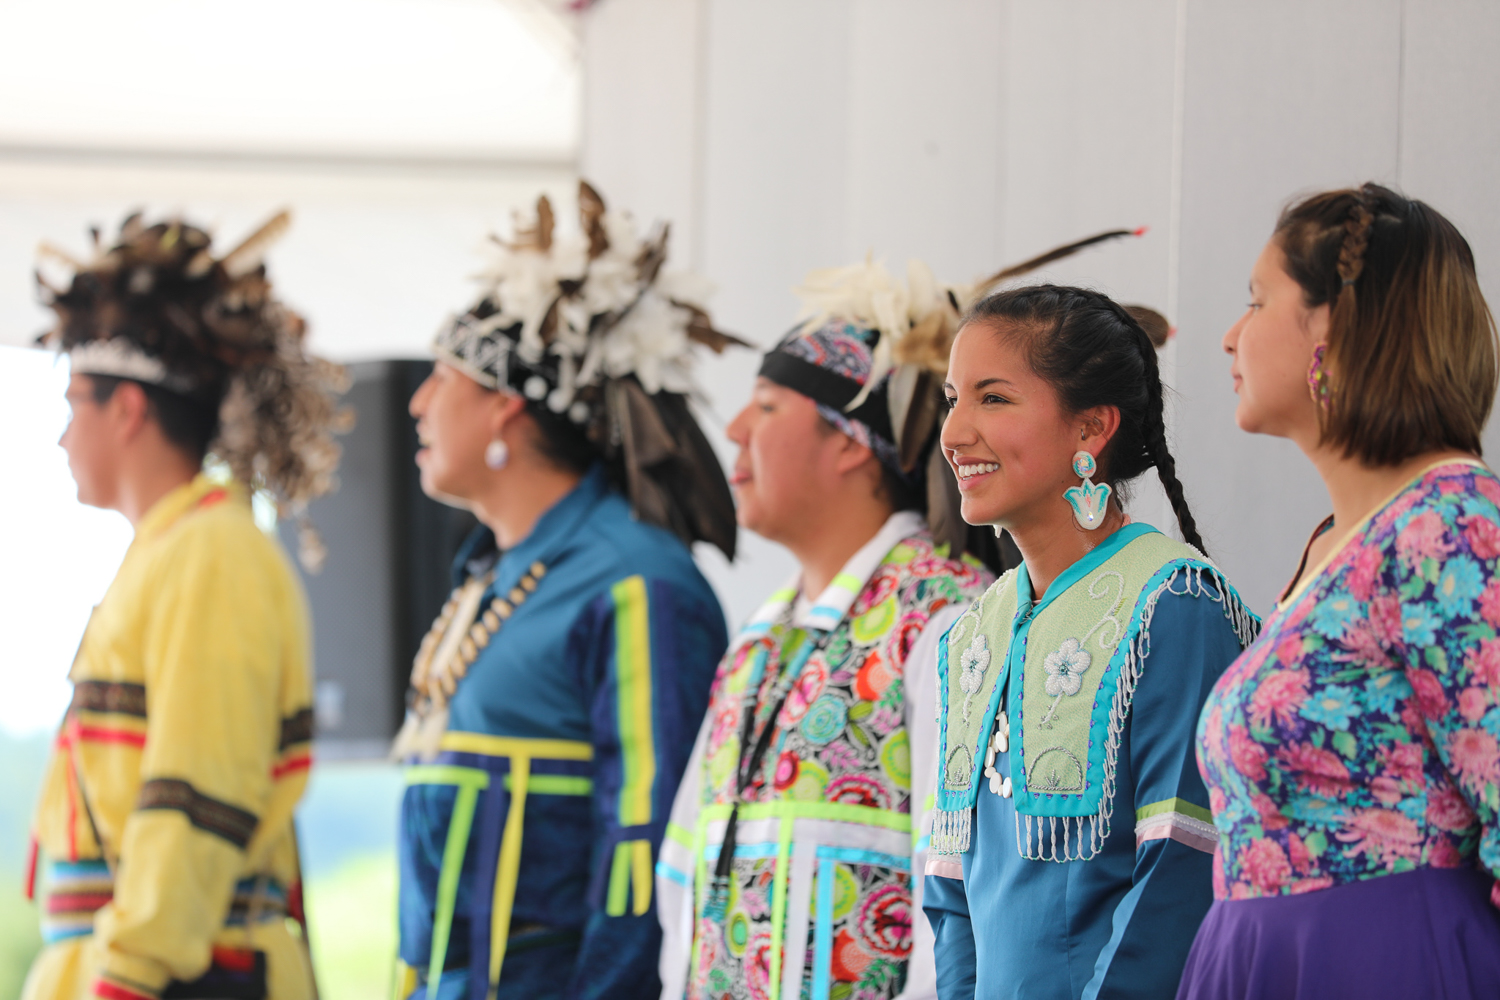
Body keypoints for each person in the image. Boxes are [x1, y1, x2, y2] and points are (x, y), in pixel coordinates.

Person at [393, 182, 736, 1000]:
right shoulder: (489, 573)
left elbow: (649, 843)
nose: (417, 403)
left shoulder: (636, 584)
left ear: (508, 409)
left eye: (442, 379)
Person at [1178, 183, 1500, 998]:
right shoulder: (1336, 543)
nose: (1229, 336)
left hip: (1386, 966)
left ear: (1334, 323)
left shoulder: (1453, 528)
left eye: (1256, 301)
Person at [654, 254, 1005, 1000]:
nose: (736, 427)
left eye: (769, 406)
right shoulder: (760, 638)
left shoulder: (944, 620)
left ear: (850, 439)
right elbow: (683, 872)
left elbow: (962, 910)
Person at [22, 212, 346, 1000]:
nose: (61, 438)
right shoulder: (174, 550)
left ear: (128, 408)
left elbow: (200, 788)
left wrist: (129, 974)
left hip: (174, 974)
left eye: (75, 404)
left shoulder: (213, 551)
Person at [924, 285, 1259, 999]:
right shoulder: (971, 634)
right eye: (952, 397)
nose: (953, 433)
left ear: (1091, 429)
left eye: (992, 398)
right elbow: (950, 887)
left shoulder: (1174, 606)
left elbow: (1182, 873)